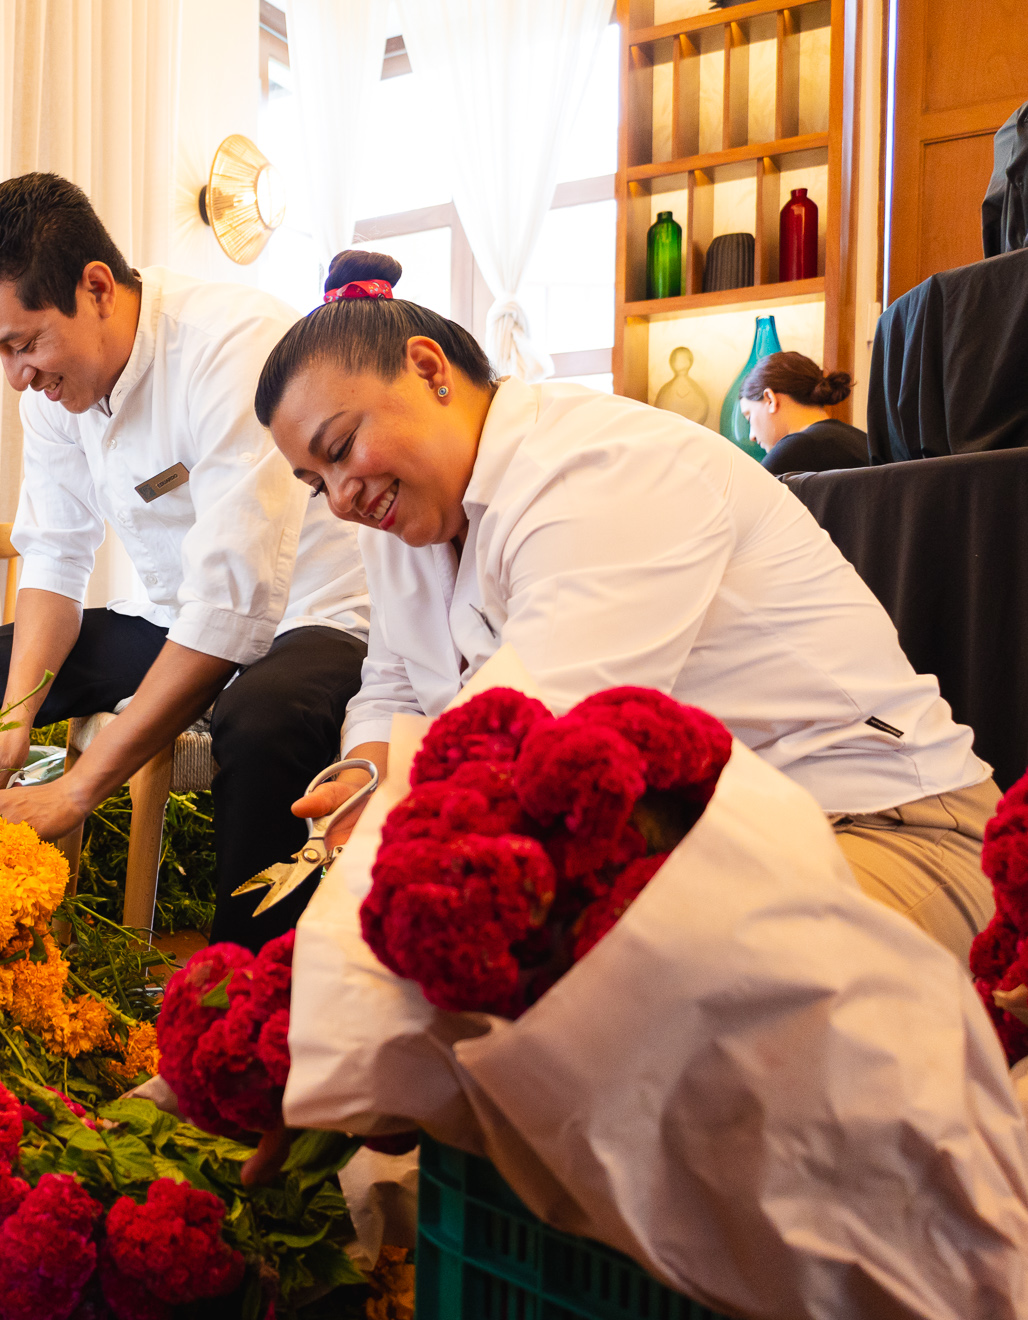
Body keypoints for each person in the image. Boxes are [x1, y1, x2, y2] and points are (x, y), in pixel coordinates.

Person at [266, 250, 998, 960]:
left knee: (634, 1020)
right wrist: (366, 769)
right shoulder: (405, 518)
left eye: (342, 448)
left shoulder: (599, 468)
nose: (339, 499)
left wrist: (398, 823)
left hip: (875, 824)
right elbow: (392, 682)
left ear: (429, 370)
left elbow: (541, 733)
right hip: (684, 848)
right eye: (313, 484)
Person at [0, 173, 373, 949]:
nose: (17, 377)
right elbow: (56, 558)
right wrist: (17, 715)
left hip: (311, 618)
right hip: (178, 621)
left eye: (23, 344)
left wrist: (81, 788)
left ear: (96, 287)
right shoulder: (54, 396)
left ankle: (243, 995)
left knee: (261, 721)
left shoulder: (234, 345)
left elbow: (234, 600)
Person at [740, 352, 868, 476]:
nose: (752, 436)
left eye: (749, 417)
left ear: (770, 400)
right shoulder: (862, 440)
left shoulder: (791, 452)